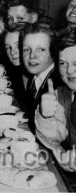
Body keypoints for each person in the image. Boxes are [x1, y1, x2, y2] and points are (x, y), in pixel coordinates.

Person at [35, 29, 76, 176]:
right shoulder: (63, 94)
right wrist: (46, 117)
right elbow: (53, 140)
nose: (70, 71)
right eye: (63, 63)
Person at [20, 23, 61, 130]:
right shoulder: (34, 76)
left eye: (41, 49)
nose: (32, 55)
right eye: (26, 49)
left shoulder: (58, 84)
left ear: (53, 52)